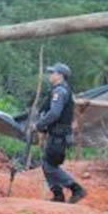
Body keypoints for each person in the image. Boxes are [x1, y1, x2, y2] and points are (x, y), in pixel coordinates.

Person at [35, 62, 86, 203]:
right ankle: (58, 194)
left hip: (58, 135)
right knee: (47, 164)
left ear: (60, 75)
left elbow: (54, 113)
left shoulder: (60, 92)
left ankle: (76, 188)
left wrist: (41, 123)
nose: (50, 75)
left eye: (53, 73)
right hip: (57, 134)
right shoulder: (61, 90)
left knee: (50, 166)